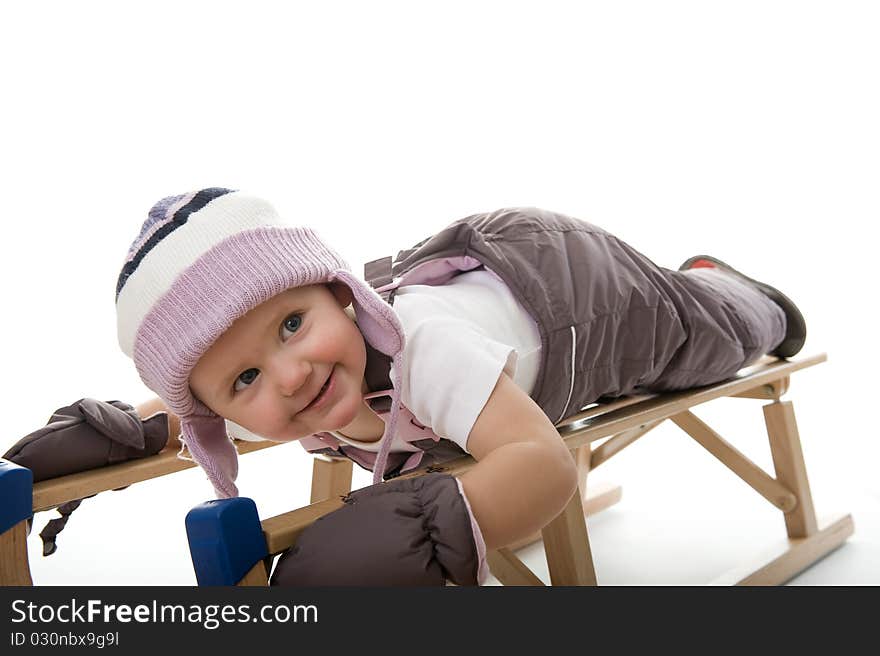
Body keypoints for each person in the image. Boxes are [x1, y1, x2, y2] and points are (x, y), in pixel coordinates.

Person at [117, 188, 804, 585]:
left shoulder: (424, 350)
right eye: (245, 378)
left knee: (704, 333)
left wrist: (418, 534)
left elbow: (542, 464)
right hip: (482, 268)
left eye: (292, 324)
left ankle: (732, 288)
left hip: (584, 296)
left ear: (340, 294)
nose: (289, 376)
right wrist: (129, 427)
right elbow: (193, 414)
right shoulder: (275, 394)